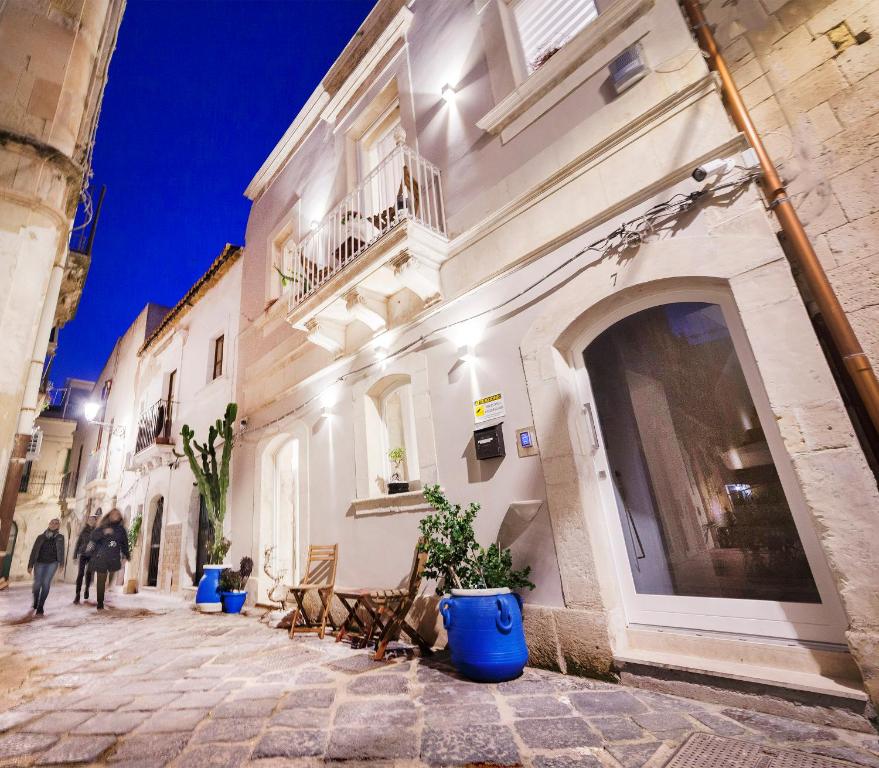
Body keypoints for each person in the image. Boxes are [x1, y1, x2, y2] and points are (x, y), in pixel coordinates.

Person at [89, 509, 129, 610]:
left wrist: (126, 555)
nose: (115, 515)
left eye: (117, 514)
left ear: (120, 517)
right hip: (102, 556)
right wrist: (104, 532)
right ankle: (100, 603)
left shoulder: (121, 529)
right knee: (101, 580)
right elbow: (93, 537)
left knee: (111, 579)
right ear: (109, 515)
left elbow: (124, 543)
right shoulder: (103, 526)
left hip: (114, 558)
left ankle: (106, 590)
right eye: (113, 514)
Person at [27, 518, 65, 615]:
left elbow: (61, 551)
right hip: (39, 562)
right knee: (37, 584)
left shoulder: (60, 537)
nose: (54, 524)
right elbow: (34, 551)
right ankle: (36, 600)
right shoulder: (40, 537)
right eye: (52, 523)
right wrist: (30, 565)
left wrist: (61, 564)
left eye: (56, 523)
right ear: (49, 524)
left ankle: (41, 606)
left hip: (52, 563)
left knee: (46, 583)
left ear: (58, 526)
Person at [72, 512, 99, 604]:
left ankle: (87, 588)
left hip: (92, 555)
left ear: (95, 521)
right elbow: (78, 543)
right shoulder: (84, 530)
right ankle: (77, 594)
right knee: (80, 574)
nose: (91, 521)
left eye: (93, 520)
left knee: (89, 574)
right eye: (90, 519)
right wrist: (75, 555)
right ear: (88, 521)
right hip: (83, 554)